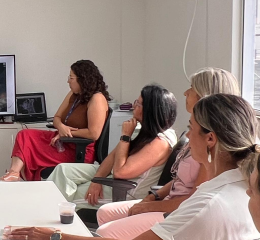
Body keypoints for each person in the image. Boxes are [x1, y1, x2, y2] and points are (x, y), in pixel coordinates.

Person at [7, 94, 260, 240]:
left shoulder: (207, 204)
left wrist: (54, 238)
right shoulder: (245, 189)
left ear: (210, 139)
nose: (189, 135)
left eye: (193, 127)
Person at [95, 68, 240, 239]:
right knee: (104, 213)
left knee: (105, 232)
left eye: (191, 88)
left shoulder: (209, 146)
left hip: (179, 212)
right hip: (168, 200)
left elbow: (192, 201)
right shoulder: (193, 134)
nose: (186, 92)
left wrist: (148, 207)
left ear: (203, 96)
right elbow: (180, 180)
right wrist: (155, 195)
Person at [47, 84, 178, 204]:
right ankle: (46, 209)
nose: (134, 106)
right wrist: (97, 179)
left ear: (150, 111)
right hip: (115, 178)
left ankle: (48, 214)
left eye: (138, 104)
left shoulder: (160, 143)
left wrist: (125, 137)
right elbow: (113, 156)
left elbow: (120, 173)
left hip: (125, 192)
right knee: (62, 171)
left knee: (66, 192)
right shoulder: (144, 130)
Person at [0, 60, 110, 181]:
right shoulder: (74, 94)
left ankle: (18, 176)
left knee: (30, 149)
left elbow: (93, 133)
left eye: (71, 78)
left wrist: (68, 133)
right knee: (24, 135)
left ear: (83, 79)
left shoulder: (97, 99)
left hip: (78, 149)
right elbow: (56, 118)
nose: (68, 81)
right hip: (63, 140)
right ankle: (14, 173)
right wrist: (62, 128)